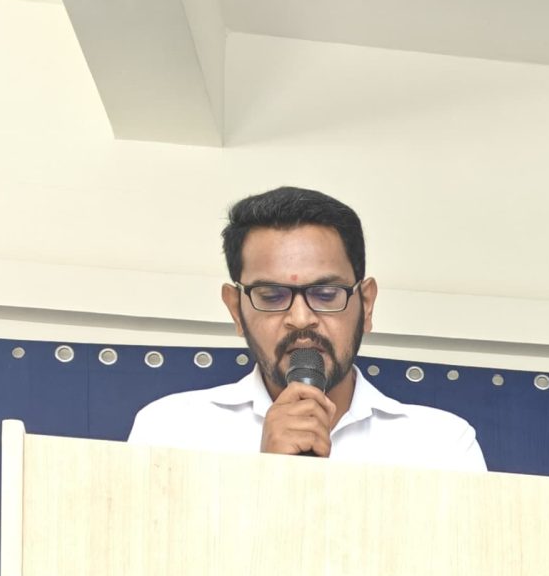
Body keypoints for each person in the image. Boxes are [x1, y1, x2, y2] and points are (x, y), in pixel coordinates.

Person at [129, 186, 486, 471]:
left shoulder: (441, 446)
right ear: (236, 310)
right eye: (271, 296)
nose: (300, 319)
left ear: (367, 304)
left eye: (326, 294)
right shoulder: (169, 432)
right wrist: (265, 474)